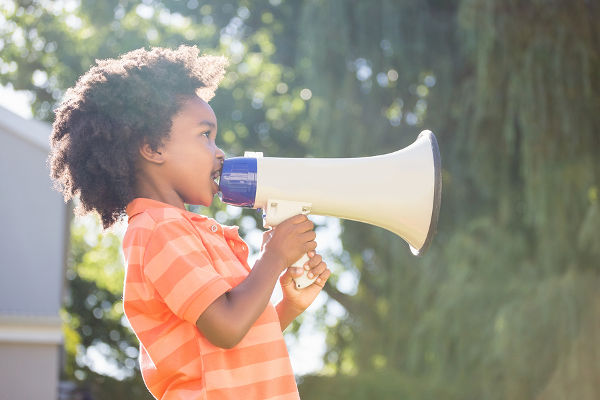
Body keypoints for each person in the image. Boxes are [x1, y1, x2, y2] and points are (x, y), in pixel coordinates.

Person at [48, 45, 331, 399]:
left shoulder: (184, 230)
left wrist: (288, 306)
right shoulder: (157, 230)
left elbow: (232, 346)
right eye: (204, 135)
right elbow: (226, 328)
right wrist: (273, 257)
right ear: (152, 147)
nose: (219, 151)